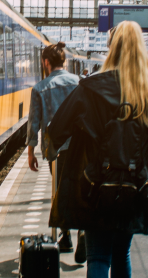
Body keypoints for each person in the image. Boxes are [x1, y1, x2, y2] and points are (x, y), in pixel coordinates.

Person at [45, 21, 148, 278]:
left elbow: (56, 131)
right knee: (121, 253)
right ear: (140, 50)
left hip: (94, 186)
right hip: (135, 188)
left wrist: (56, 149)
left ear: (111, 49)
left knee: (98, 255)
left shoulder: (89, 88)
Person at [25, 41, 86, 263]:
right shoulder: (80, 83)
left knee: (59, 191)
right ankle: (82, 233)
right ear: (65, 62)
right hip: (81, 147)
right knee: (80, 188)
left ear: (46, 63)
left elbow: (33, 124)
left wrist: (31, 153)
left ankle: (66, 236)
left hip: (56, 150)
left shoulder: (40, 88)